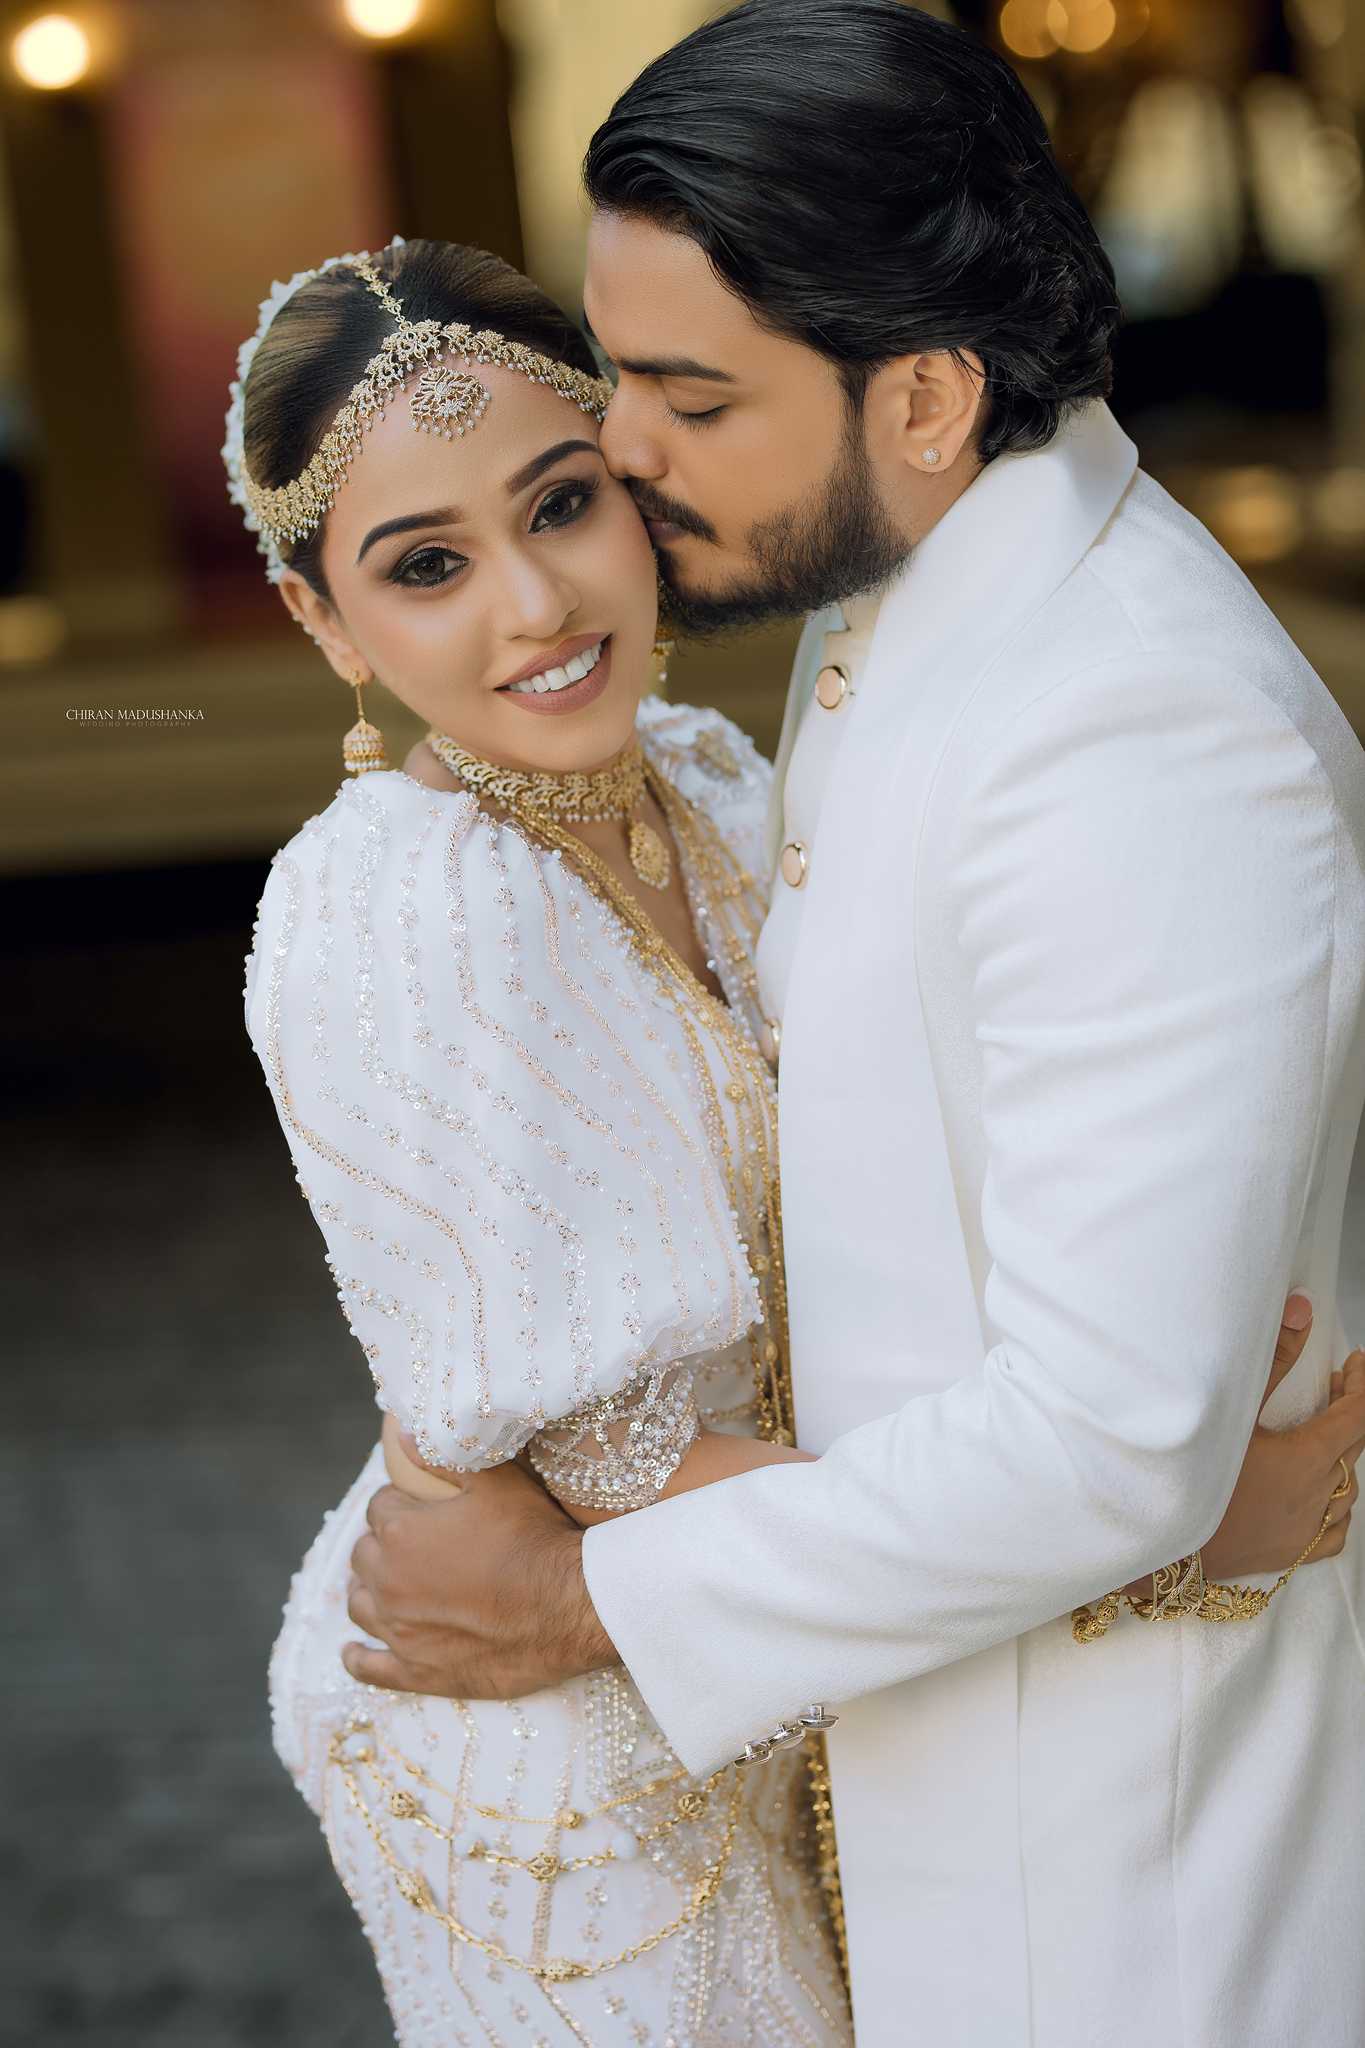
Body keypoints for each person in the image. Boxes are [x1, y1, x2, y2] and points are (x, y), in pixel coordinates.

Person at [341, 7, 1365, 2046]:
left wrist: (579, 1601)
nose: (623, 452)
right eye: (619, 374)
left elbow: (1102, 1441)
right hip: (909, 1786)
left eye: (689, 395)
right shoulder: (896, 599)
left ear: (923, 395)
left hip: (1102, 1887)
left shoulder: (1138, 735)